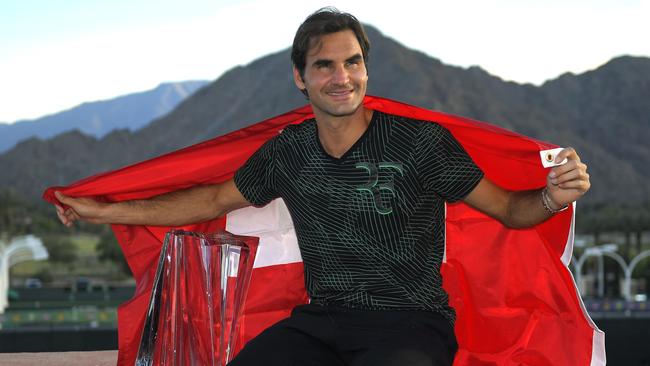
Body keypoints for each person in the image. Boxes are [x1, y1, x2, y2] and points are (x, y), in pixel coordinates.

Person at [54, 8, 590, 366]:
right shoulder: (290, 151)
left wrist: (550, 197)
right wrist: (104, 211)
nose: (342, 76)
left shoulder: (421, 142)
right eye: (325, 65)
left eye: (353, 62)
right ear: (300, 77)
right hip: (323, 322)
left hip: (410, 325)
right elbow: (213, 199)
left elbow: (508, 210)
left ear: (366, 69)